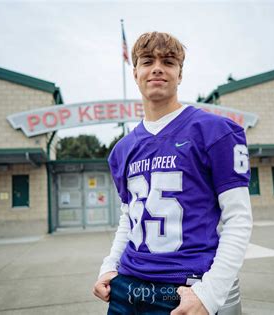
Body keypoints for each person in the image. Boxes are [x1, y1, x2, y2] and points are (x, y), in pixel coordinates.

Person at [93, 31, 253, 315]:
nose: (157, 67)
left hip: (185, 289)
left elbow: (238, 218)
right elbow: (129, 217)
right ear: (135, 72)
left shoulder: (213, 131)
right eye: (147, 61)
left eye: (168, 61)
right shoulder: (123, 149)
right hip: (127, 286)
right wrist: (109, 266)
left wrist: (210, 294)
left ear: (180, 74)